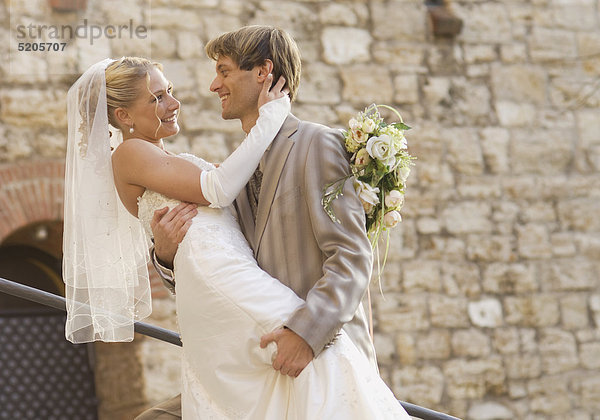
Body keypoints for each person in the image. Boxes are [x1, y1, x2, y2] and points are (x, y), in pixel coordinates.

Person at [64, 55, 409, 419]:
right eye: (157, 98)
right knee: (320, 363)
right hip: (224, 282)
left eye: (170, 92)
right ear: (124, 117)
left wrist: (166, 256)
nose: (173, 104)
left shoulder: (169, 159)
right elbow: (217, 189)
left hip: (232, 278)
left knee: (298, 377)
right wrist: (271, 116)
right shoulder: (130, 154)